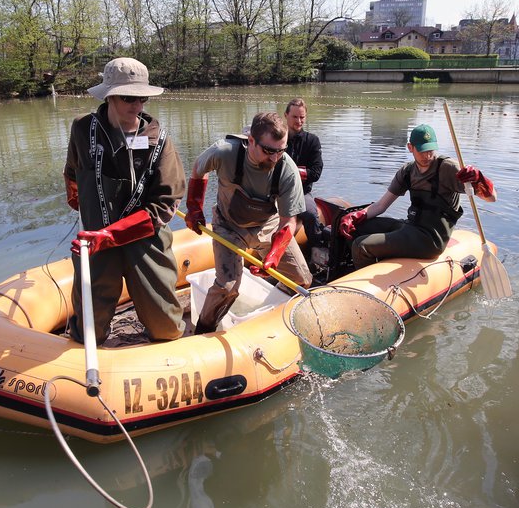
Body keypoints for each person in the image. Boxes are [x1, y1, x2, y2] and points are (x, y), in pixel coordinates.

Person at [63, 57, 187, 343]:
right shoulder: (82, 129)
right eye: (129, 97)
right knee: (87, 331)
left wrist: (111, 234)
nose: (138, 105)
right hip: (94, 240)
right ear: (109, 96)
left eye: (142, 97)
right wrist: (86, 214)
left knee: (165, 327)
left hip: (144, 240)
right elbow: (72, 174)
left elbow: (165, 204)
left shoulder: (160, 140)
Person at [184, 111, 312, 334]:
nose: (274, 158)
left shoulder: (287, 170)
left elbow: (288, 222)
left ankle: (271, 309)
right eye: (268, 151)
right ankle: (203, 330)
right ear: (251, 141)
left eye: (281, 151)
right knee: (228, 287)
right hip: (228, 226)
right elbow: (198, 169)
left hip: (269, 227)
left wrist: (274, 255)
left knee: (302, 279)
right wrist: (194, 206)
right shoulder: (224, 152)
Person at [338, 123, 496, 269]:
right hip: (411, 227)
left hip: (431, 239)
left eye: (430, 150)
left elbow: (491, 198)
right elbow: (381, 206)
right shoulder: (407, 172)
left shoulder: (448, 168)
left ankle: (366, 287)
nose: (427, 156)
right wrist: (356, 216)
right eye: (422, 150)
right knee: (357, 229)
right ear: (410, 147)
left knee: (361, 245)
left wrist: (479, 180)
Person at [283, 98, 324, 256]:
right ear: (286, 115)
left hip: (301, 192)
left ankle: (317, 251)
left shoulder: (312, 141)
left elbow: (316, 173)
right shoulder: (276, 138)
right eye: (295, 117)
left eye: (302, 117)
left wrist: (292, 173)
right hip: (275, 192)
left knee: (311, 215)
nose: (299, 121)